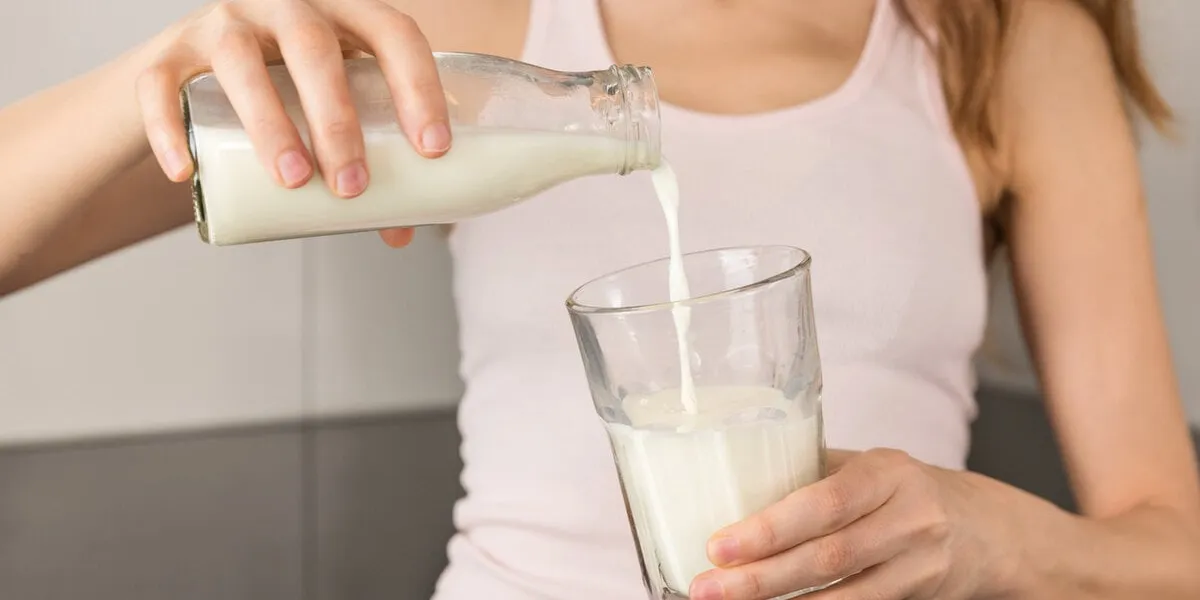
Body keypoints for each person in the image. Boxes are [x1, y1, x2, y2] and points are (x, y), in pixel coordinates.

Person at [2, 0, 1198, 598]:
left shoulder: (1003, 39)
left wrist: (993, 538)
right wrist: (144, 84)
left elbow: (1174, 546)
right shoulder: (479, 29)